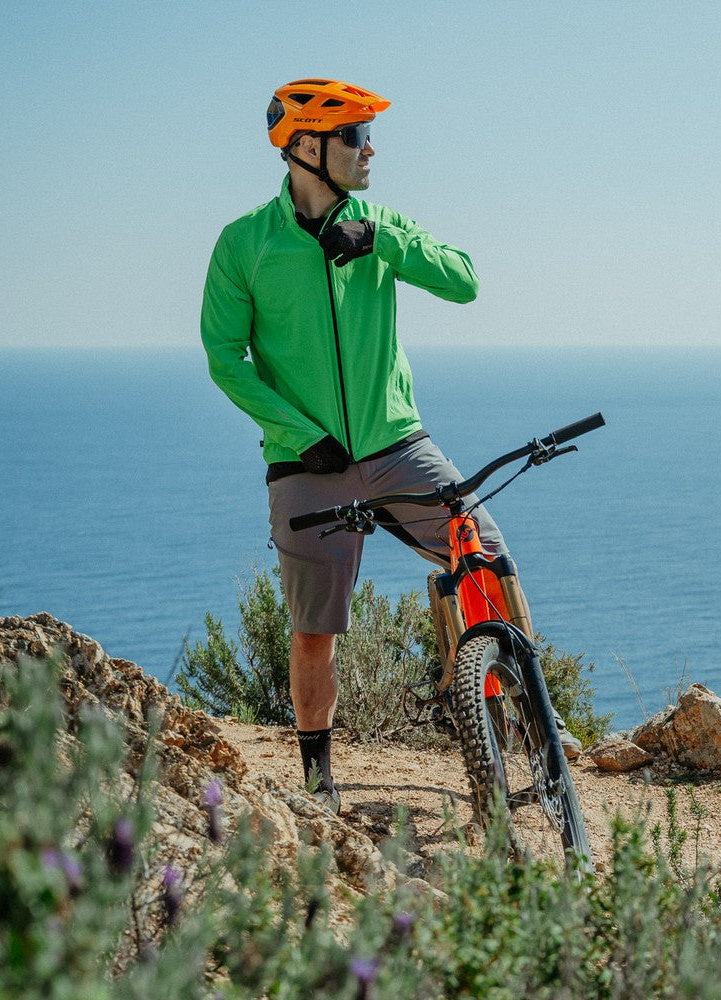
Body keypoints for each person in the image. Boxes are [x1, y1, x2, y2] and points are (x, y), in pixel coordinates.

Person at [201, 78, 577, 814]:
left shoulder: (379, 223)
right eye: (354, 136)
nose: (369, 149)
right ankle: (320, 786)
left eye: (369, 135)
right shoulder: (246, 242)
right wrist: (298, 434)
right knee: (315, 630)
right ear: (305, 147)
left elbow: (465, 282)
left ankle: (532, 712)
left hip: (396, 442)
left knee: (487, 556)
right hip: (306, 459)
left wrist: (385, 241)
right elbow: (224, 357)